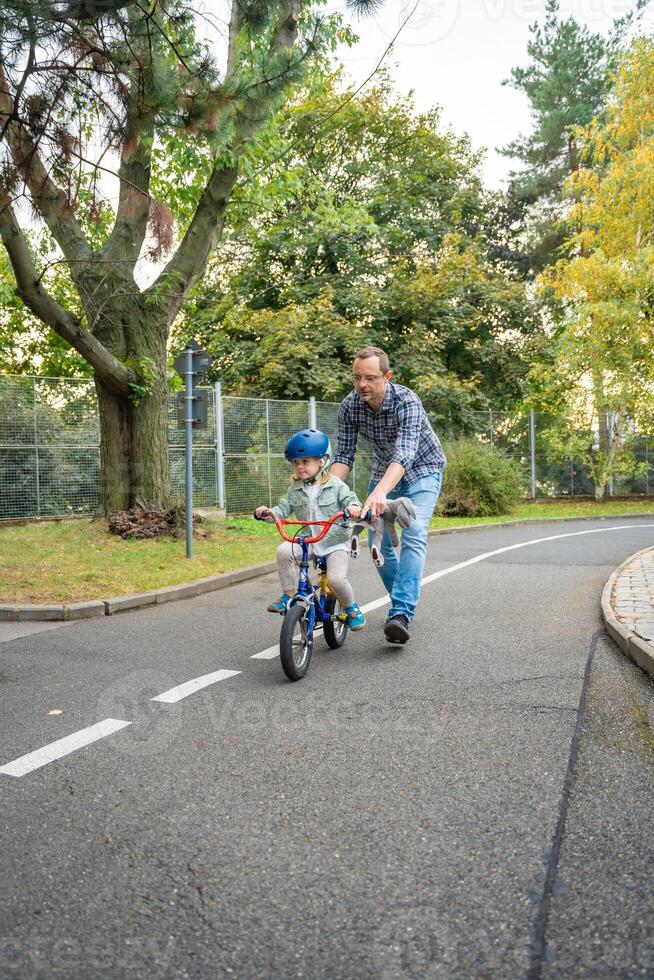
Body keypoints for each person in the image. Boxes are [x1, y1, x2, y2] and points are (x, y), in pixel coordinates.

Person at [330, 347, 446, 644]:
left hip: (423, 470)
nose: (362, 385)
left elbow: (405, 453)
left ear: (387, 376)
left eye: (369, 378)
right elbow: (343, 455)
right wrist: (323, 491)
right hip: (385, 471)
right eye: (357, 378)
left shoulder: (407, 401)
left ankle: (401, 613)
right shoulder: (350, 406)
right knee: (376, 539)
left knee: (415, 531)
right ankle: (401, 604)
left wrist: (381, 491)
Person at [255, 428, 367, 630]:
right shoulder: (294, 489)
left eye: (305, 461)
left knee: (336, 579)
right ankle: (288, 595)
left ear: (322, 461)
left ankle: (351, 608)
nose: (299, 466)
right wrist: (268, 513)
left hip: (334, 542)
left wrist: (353, 509)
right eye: (296, 462)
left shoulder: (336, 485)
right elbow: (283, 509)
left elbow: (350, 499)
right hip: (308, 540)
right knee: (283, 551)